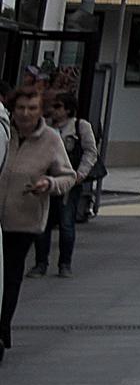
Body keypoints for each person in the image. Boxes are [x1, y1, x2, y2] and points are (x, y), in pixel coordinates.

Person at [2, 85, 76, 365]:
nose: (25, 114)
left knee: (9, 277)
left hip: (24, 220)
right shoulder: (4, 133)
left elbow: (68, 176)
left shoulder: (50, 139)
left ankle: (1, 330)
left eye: (32, 108)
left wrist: (49, 183)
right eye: (20, 108)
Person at [31, 93, 96, 278]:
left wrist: (80, 173)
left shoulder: (79, 126)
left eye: (58, 107)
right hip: (46, 179)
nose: (54, 110)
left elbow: (90, 152)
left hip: (68, 181)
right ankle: (40, 263)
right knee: (42, 223)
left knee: (66, 224)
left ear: (68, 109)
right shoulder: (45, 126)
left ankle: (64, 263)